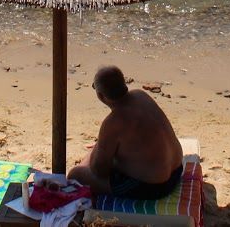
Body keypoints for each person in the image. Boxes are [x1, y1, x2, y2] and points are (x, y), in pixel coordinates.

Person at [68, 66, 183, 199]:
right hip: (177, 170)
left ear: (100, 96)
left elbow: (99, 171)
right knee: (103, 149)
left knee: (75, 175)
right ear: (125, 85)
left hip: (156, 187)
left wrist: (96, 153)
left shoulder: (113, 122)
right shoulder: (141, 95)